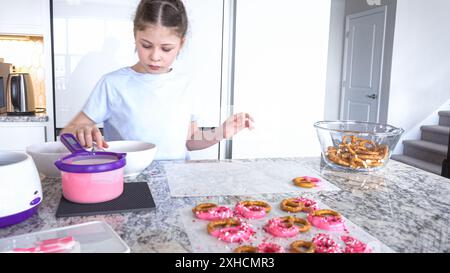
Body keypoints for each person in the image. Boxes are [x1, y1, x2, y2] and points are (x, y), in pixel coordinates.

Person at [60, 0, 254, 160]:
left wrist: (221, 132)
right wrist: (81, 130)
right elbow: (66, 133)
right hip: (127, 182)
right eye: (146, 45)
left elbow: (189, 140)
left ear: (181, 44)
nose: (155, 56)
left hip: (178, 182)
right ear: (135, 36)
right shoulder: (112, 84)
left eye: (166, 49)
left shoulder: (185, 84)